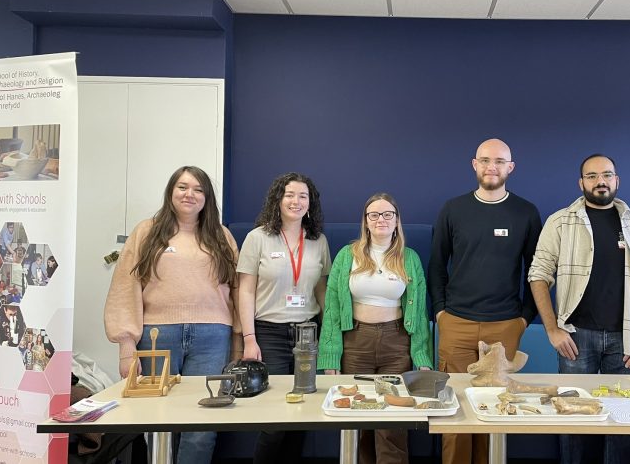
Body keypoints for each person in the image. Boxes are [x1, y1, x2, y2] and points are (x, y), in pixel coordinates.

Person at [528, 154, 630, 464]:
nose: (599, 181)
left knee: (621, 420)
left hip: (625, 340)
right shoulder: (560, 221)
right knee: (573, 421)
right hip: (576, 338)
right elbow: (538, 274)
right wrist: (552, 328)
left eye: (606, 175)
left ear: (616, 181)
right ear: (581, 183)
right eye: (591, 176)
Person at [104, 165, 240, 464]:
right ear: (171, 191)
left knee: (203, 422)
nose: (189, 194)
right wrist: (126, 345)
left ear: (207, 197)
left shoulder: (222, 236)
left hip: (212, 337)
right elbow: (125, 287)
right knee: (158, 420)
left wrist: (241, 341)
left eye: (198, 189)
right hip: (157, 336)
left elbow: (237, 290)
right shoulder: (147, 231)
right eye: (182, 187)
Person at [429, 138, 542, 464]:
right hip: (456, 324)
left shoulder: (526, 212)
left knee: (496, 411)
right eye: (485, 160)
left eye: (499, 161)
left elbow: (536, 270)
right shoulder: (453, 209)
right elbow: (437, 264)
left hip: (505, 325)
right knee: (454, 412)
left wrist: (524, 318)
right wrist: (440, 312)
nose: (492, 166)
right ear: (474, 164)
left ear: (511, 167)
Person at [319, 192, 432, 464]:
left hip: (396, 344)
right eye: (374, 215)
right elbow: (332, 308)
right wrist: (331, 355)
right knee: (358, 417)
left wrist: (422, 357)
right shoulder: (348, 256)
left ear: (396, 221)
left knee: (392, 421)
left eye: (387, 214)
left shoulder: (410, 258)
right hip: (356, 343)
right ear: (366, 221)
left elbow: (418, 313)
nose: (381, 219)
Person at [237, 172, 331, 463]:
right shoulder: (258, 238)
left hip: (308, 332)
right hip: (269, 333)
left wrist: (329, 337)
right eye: (289, 194)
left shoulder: (318, 240)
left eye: (303, 196)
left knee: (303, 412)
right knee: (275, 416)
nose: (296, 201)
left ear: (310, 203)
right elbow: (245, 291)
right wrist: (249, 338)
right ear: (277, 200)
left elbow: (322, 290)